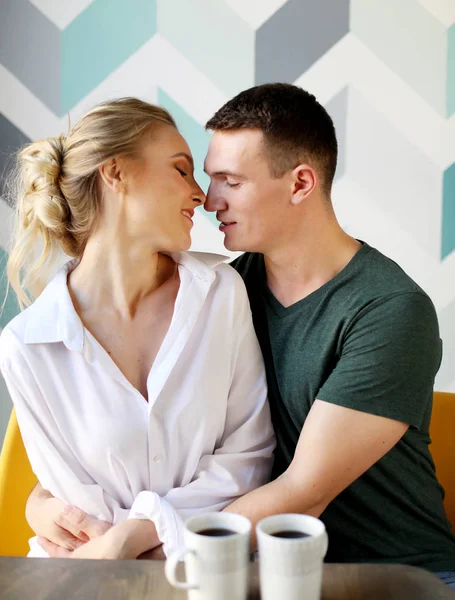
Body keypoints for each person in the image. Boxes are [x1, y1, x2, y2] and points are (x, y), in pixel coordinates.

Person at [24, 84, 455, 587]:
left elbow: (301, 491)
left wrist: (129, 543)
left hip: (399, 577)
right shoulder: (223, 291)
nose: (208, 200)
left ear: (299, 184)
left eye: (230, 180)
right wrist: (44, 503)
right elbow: (131, 443)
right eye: (207, 178)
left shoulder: (389, 310)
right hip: (259, 575)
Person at [0, 97, 275, 559]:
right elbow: (78, 511)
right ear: (116, 173)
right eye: (181, 169)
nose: (200, 196)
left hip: (201, 575)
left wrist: (134, 536)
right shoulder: (28, 346)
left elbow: (249, 459)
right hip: (80, 579)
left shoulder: (220, 294)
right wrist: (132, 540)